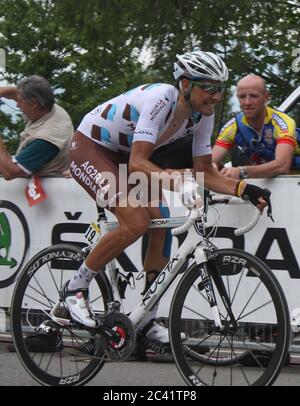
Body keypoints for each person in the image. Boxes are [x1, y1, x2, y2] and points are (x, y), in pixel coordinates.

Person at [51, 50, 270, 344]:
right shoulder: (162, 98)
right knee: (136, 221)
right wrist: (175, 182)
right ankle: (75, 289)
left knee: (162, 223)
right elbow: (141, 161)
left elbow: (206, 170)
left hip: (124, 158)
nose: (216, 96)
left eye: (220, 88)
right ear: (185, 85)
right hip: (92, 148)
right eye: (209, 87)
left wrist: (245, 190)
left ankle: (146, 320)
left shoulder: (202, 114)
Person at [212, 74, 298, 179]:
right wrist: (213, 168)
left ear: (266, 97)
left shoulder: (283, 123)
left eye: (253, 96)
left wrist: (241, 171)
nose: (247, 102)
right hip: (262, 186)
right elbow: (207, 165)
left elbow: (282, 166)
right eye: (242, 97)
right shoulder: (232, 126)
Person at [0, 75, 74, 180]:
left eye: (20, 101)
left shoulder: (48, 138)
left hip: (50, 194)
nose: (17, 105)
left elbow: (10, 172)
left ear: (33, 103)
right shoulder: (49, 107)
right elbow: (18, 94)